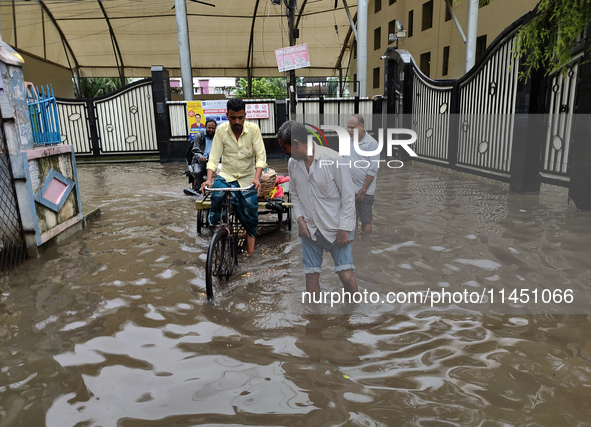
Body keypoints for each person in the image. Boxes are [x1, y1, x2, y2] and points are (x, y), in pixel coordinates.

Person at [276, 120, 359, 296]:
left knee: (346, 275)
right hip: (309, 229)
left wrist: (344, 229)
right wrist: (299, 219)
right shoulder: (293, 163)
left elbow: (348, 196)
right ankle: (314, 320)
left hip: (336, 227)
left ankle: (352, 315)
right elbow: (295, 194)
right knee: (311, 277)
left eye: (285, 148)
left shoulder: (334, 159)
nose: (284, 153)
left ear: (297, 144)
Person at [201, 98, 267, 254]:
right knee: (216, 196)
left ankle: (251, 254)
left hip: (247, 177)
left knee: (251, 212)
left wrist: (257, 178)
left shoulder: (254, 129)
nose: (237, 121)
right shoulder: (221, 130)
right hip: (226, 175)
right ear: (226, 116)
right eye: (232, 118)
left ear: (245, 115)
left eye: (240, 117)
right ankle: (216, 225)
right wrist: (209, 180)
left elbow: (261, 156)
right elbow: (214, 157)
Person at [345, 114, 379, 233]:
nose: (349, 130)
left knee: (366, 220)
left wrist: (363, 191)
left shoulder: (372, 144)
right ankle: (354, 246)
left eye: (352, 127)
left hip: (365, 189)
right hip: (349, 188)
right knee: (351, 219)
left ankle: (366, 246)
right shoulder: (347, 141)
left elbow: (373, 169)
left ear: (361, 127)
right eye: (348, 127)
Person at [186, 118, 217, 190]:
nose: (211, 130)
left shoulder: (217, 136)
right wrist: (201, 157)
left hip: (213, 161)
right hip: (200, 161)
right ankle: (200, 189)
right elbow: (195, 150)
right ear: (205, 127)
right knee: (197, 172)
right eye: (209, 128)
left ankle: (217, 188)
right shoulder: (199, 136)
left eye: (213, 128)